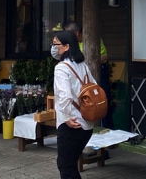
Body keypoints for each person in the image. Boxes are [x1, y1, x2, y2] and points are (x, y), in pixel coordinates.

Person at [52, 30, 95, 179]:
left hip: (71, 124)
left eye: (56, 44)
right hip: (86, 123)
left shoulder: (62, 68)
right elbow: (93, 87)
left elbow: (65, 96)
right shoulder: (82, 65)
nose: (53, 48)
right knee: (69, 165)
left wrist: (66, 117)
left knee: (66, 167)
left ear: (67, 47)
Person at [63, 21, 111, 127]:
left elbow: (104, 57)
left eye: (68, 34)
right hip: (78, 77)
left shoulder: (94, 39)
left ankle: (106, 127)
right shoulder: (70, 45)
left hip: (97, 73)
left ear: (76, 33)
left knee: (99, 100)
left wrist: (89, 61)